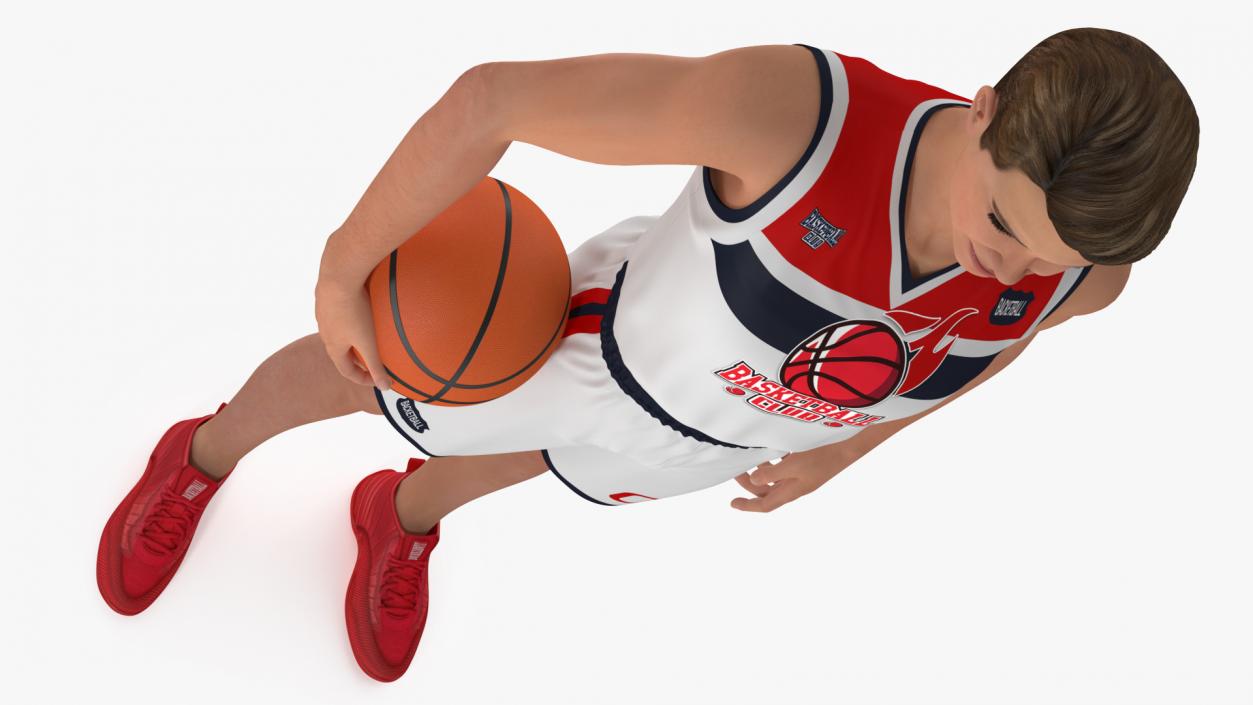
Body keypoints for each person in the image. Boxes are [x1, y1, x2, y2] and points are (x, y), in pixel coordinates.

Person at [96, 28, 1199, 683]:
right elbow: (498, 98)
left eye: (1039, 264)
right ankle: (201, 452)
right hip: (586, 347)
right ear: (984, 108)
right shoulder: (798, 119)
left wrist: (845, 452)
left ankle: (402, 518)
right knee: (373, 369)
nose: (1006, 270)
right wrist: (344, 266)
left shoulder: (1081, 275)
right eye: (1002, 226)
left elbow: (988, 349)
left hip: (714, 438)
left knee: (544, 467)